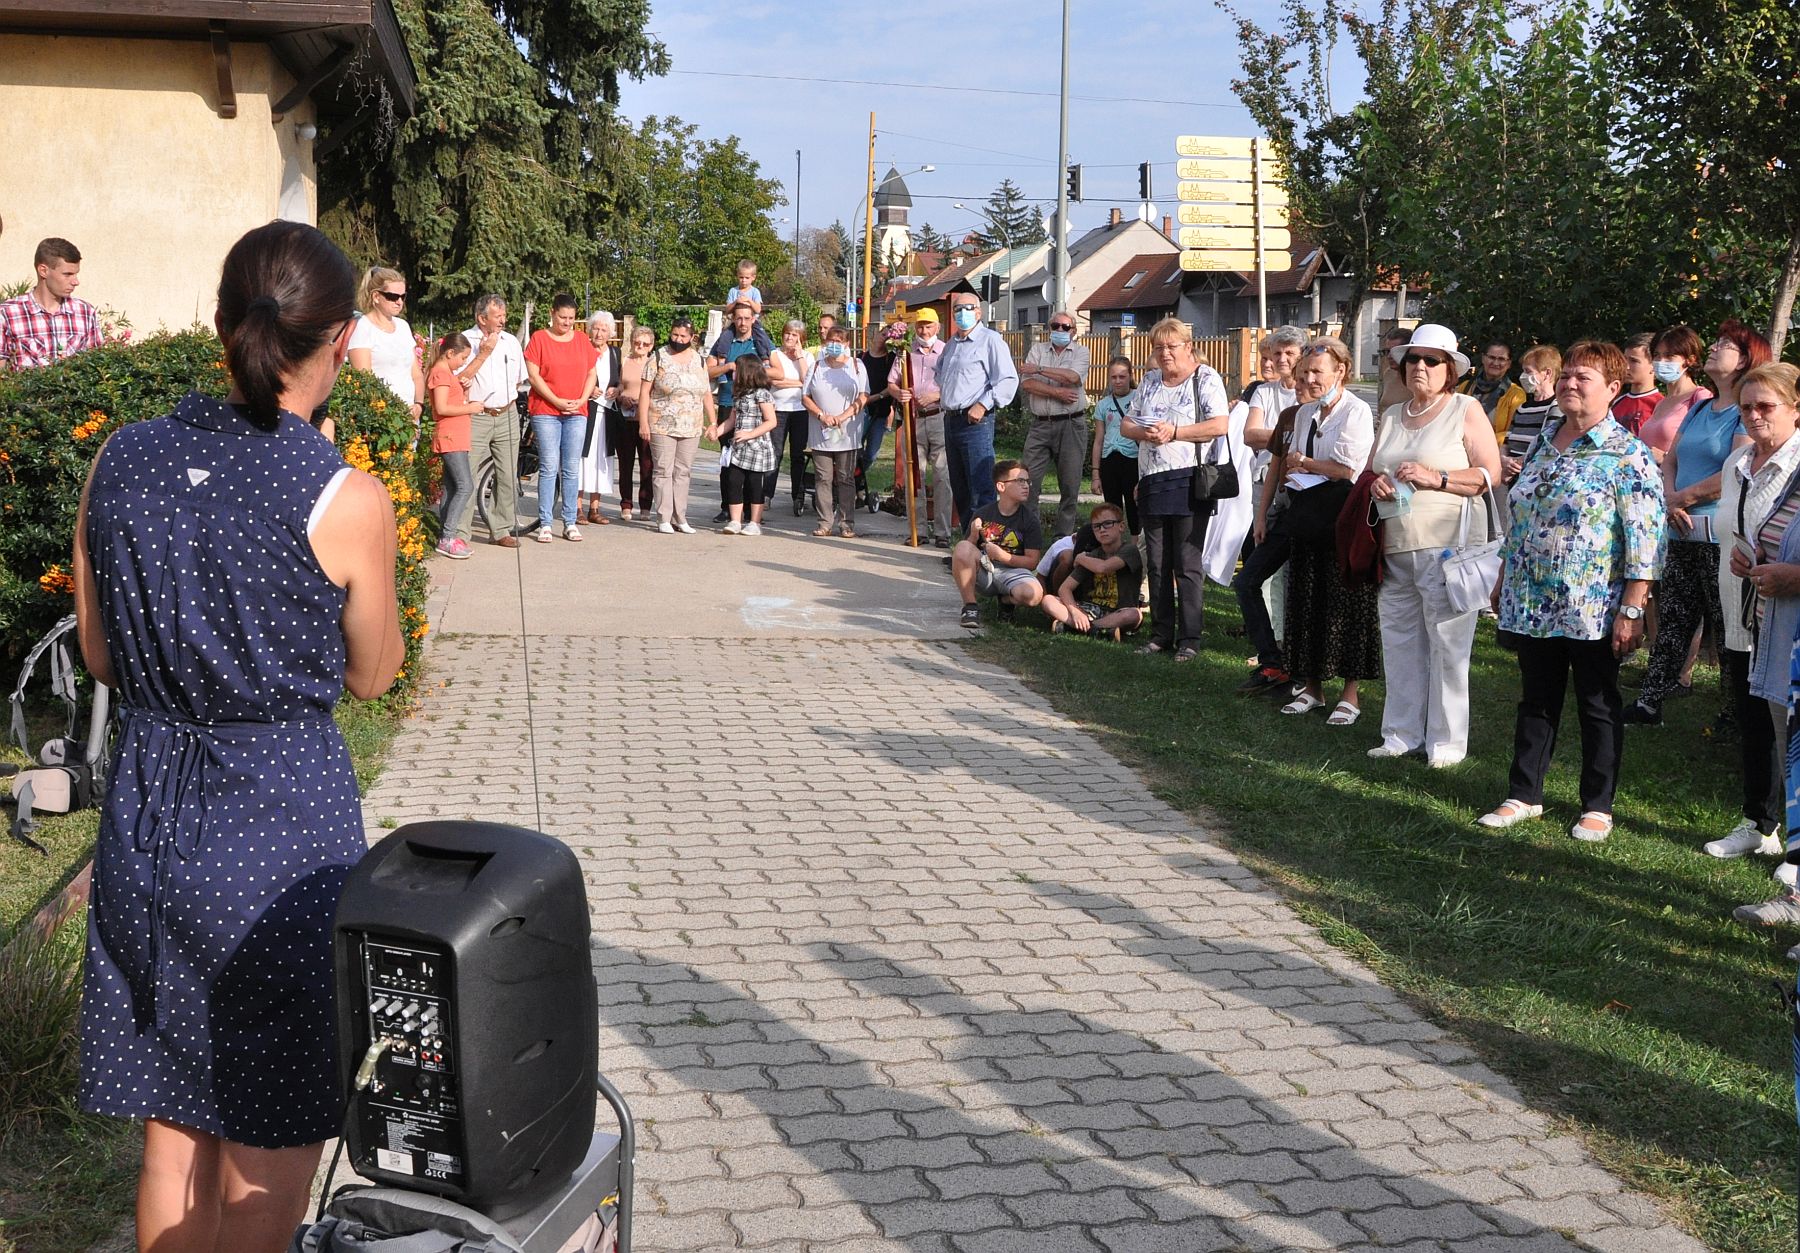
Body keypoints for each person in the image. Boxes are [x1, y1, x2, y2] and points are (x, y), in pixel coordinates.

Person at [70, 220, 404, 1253]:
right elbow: (373, 671)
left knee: (171, 1137)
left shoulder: (120, 457)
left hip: (149, 819)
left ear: (221, 323)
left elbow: (98, 654)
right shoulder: (343, 496)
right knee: (264, 1157)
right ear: (340, 341)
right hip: (276, 831)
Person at [1479, 341, 1664, 841]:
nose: (1570, 384)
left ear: (1613, 389)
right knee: (1535, 698)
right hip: (1532, 599)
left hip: (1593, 605)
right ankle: (1524, 794)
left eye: (1584, 377)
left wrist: (1632, 606)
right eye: (1566, 376)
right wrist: (1502, 577)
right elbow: (1522, 516)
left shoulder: (1627, 453)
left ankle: (1597, 805)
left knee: (1597, 703)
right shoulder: (1543, 440)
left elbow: (1645, 538)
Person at [1367, 324, 1503, 767]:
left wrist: (1437, 478)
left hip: (1448, 546)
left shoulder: (1465, 408)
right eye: (1413, 360)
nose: (1420, 367)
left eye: (1431, 360)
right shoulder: (1391, 414)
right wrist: (1377, 488)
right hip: (1395, 543)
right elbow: (1374, 473)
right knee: (1400, 640)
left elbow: (1490, 474)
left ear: (1450, 370)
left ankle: (1445, 743)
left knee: (1448, 643)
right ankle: (1400, 734)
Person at [1625, 319, 1767, 723]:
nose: (1715, 347)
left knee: (1726, 627)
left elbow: (1734, 469)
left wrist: (1682, 497)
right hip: (1680, 529)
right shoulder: (1703, 406)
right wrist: (1671, 499)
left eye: (1726, 345)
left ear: (1745, 360)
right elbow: (1671, 457)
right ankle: (1651, 701)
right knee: (1672, 617)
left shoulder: (1745, 413)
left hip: (1717, 534)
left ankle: (1732, 711)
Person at [1710, 362, 1800, 861]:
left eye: (1766, 406)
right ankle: (1759, 823)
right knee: (1754, 720)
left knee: (1792, 730)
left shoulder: (1797, 464)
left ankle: (1795, 846)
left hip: (1790, 619)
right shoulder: (1737, 463)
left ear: (1795, 408)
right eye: (1746, 407)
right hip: (1744, 612)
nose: (1754, 416)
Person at [1271, 339, 1379, 724]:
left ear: (1341, 371)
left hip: (1342, 516)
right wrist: (1304, 465)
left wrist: (1306, 463)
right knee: (1305, 597)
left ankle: (1350, 693)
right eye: (1307, 373)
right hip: (1307, 513)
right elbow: (1294, 463)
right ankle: (1312, 686)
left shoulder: (1357, 411)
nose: (1311, 379)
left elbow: (1347, 468)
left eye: (1318, 372)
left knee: (1344, 602)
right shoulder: (1304, 413)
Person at [1120, 316, 1230, 662]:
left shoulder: (1206, 378)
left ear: (1188, 347)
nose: (1165, 353)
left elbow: (1220, 424)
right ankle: (1160, 634)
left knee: (1186, 562)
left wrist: (1175, 432)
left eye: (1171, 346)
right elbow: (1126, 424)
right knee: (1156, 561)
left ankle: (1190, 638)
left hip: (1189, 480)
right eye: (1158, 347)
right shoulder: (1151, 381)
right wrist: (1146, 433)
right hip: (1153, 479)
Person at [1234, 376, 1319, 697]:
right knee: (1247, 581)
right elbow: (1275, 466)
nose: (1300, 384)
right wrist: (1261, 514)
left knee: (1302, 590)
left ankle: (1304, 675)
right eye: (1298, 380)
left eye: (1309, 377)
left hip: (1317, 514)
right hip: (1282, 512)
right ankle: (1273, 664)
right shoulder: (1287, 417)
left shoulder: (1336, 415)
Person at [937, 291, 1020, 526]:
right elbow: (941, 375)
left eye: (968, 308)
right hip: (951, 420)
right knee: (961, 488)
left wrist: (983, 403)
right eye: (957, 309)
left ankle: (985, 547)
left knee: (979, 487)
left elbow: (1007, 379)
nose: (962, 313)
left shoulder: (990, 340)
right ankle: (967, 545)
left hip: (975, 422)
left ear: (979, 312)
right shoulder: (952, 344)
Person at [523, 293, 599, 542]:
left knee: (571, 466)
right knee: (548, 465)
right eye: (562, 317)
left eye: (571, 318)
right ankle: (545, 522)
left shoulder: (581, 340)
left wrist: (582, 398)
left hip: (577, 411)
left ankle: (569, 520)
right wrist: (555, 400)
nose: (567, 322)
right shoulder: (540, 338)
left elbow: (591, 373)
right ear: (552, 313)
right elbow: (534, 376)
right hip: (547, 410)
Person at [456, 294, 528, 547]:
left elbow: (519, 380)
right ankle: (460, 533)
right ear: (481, 318)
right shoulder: (465, 340)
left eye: (504, 315)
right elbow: (458, 380)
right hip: (477, 415)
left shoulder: (510, 342)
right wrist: (483, 354)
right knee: (468, 475)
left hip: (507, 413)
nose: (503, 321)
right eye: (498, 316)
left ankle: (501, 529)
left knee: (507, 474)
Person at [638, 315, 715, 535]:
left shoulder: (699, 360)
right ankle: (663, 516)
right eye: (675, 334)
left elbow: (707, 393)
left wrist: (712, 421)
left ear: (691, 337)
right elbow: (645, 391)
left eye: (683, 335)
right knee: (663, 469)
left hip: (691, 425)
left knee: (683, 471)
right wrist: (643, 422)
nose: (678, 338)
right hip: (662, 423)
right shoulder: (658, 357)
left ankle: (680, 516)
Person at [1019, 311, 1092, 537]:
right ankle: (1030, 535)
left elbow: (1072, 377)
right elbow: (1027, 383)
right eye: (1055, 326)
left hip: (1071, 424)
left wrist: (1039, 370)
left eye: (1065, 327)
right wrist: (1056, 392)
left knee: (1070, 486)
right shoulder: (1038, 349)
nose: (1059, 330)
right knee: (1028, 481)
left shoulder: (1082, 351)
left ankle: (1063, 539)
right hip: (1040, 424)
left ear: (1073, 331)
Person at [952, 459, 1045, 629]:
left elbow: (1032, 562)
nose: (1026, 486)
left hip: (1014, 572)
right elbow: (965, 554)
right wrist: (973, 534)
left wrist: (1004, 556)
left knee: (1034, 595)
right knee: (962, 547)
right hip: (986, 570)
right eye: (1020, 481)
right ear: (1001, 487)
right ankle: (970, 607)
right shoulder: (984, 513)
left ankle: (1005, 600)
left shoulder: (1030, 520)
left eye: (1027, 481)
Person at [707, 301, 775, 522]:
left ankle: (752, 512)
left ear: (754, 319)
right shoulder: (725, 341)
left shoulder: (761, 342)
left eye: (747, 318)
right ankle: (728, 507)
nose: (743, 322)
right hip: (730, 403)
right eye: (739, 318)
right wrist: (728, 367)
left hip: (755, 407)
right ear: (733, 319)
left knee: (753, 466)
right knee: (729, 460)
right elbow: (707, 371)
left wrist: (753, 373)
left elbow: (779, 373)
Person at [1041, 503, 1144, 639]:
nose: (1102, 529)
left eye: (1108, 523)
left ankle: (1074, 627)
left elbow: (1103, 568)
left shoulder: (1129, 551)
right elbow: (1064, 589)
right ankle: (1100, 630)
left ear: (1121, 526)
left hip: (1117, 611)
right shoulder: (1091, 555)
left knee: (1134, 615)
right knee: (1048, 600)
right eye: (1096, 526)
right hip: (1088, 608)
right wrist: (1075, 611)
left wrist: (1079, 557)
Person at [803, 325, 868, 538]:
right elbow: (805, 397)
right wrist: (822, 415)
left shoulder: (857, 366)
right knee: (823, 477)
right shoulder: (815, 367)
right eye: (831, 340)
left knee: (845, 478)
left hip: (847, 432)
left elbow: (863, 396)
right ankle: (825, 522)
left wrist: (844, 416)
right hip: (820, 430)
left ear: (847, 344)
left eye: (839, 341)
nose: (835, 344)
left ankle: (847, 522)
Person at [1, 236, 103, 371]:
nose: (75, 282)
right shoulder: (8, 314)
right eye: (67, 274)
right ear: (43, 271)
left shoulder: (85, 313)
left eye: (76, 274)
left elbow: (97, 368)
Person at [894, 307, 952, 546]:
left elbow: (957, 381)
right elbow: (892, 383)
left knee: (942, 475)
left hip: (939, 416)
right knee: (914, 475)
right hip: (913, 418)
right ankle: (917, 531)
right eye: (920, 326)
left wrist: (937, 395)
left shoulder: (948, 351)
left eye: (928, 326)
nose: (924, 330)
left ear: (937, 327)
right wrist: (899, 394)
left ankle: (942, 533)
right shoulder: (905, 353)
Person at [426, 332, 483, 560]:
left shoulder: (447, 373)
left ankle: (446, 534)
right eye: (462, 358)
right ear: (450, 353)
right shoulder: (440, 373)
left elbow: (452, 401)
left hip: (457, 436)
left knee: (451, 487)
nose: (463, 363)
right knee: (465, 485)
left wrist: (465, 392)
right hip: (451, 437)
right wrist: (471, 408)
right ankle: (448, 537)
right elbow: (441, 408)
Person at [347, 266, 424, 433]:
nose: (399, 302)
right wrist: (388, 415)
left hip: (410, 417)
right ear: (376, 296)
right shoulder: (363, 327)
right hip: (381, 419)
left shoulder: (403, 327)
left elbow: (416, 374)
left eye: (403, 297)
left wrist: (418, 404)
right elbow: (365, 381)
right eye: (392, 296)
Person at [713, 356, 777, 535]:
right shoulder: (738, 394)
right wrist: (716, 432)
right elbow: (732, 420)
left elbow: (771, 421)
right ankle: (735, 520)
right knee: (733, 481)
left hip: (757, 447)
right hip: (739, 448)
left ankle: (754, 522)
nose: (734, 374)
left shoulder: (762, 394)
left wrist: (750, 434)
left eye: (736, 370)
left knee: (755, 484)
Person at [1638, 325, 1713, 465]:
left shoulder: (1700, 398)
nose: (1661, 361)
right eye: (1657, 355)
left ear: (1690, 360)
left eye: (1669, 356)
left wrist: (1665, 457)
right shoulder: (1661, 403)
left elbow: (1707, 451)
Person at [765, 319, 815, 515]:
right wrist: (798, 383)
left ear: (801, 339)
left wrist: (800, 357)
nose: (789, 337)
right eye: (787, 333)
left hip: (801, 411)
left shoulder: (808, 357)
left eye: (794, 335)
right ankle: (767, 494)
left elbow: (807, 381)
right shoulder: (774, 355)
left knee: (797, 455)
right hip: (778, 409)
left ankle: (798, 495)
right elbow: (774, 382)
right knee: (775, 452)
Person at [1090, 356, 1141, 539]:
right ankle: (1114, 547)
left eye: (1122, 376)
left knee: (1134, 505)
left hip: (1133, 458)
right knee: (1111, 508)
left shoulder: (1139, 397)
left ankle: (1136, 549)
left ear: (1130, 376)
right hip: (1109, 459)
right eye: (1114, 377)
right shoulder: (1103, 404)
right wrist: (1096, 474)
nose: (1118, 381)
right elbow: (1098, 439)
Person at [579, 311, 621, 525]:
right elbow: (574, 376)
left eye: (604, 329)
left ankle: (594, 508)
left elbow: (621, 379)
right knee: (581, 458)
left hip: (607, 415)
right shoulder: (582, 350)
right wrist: (588, 389)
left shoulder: (615, 353)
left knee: (602, 459)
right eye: (596, 328)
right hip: (586, 412)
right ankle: (576, 507)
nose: (599, 333)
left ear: (610, 333)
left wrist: (618, 389)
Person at [855, 319, 902, 509]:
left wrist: (877, 396)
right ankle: (853, 485)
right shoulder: (862, 357)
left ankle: (855, 478)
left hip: (879, 410)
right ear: (875, 335)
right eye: (883, 334)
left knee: (871, 453)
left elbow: (892, 384)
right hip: (861, 410)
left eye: (889, 337)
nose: (885, 339)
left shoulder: (891, 359)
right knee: (855, 450)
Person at [1501, 345, 1562, 483]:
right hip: (1512, 479)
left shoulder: (1556, 407)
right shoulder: (1522, 408)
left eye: (1528, 371)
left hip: (1534, 480)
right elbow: (1506, 442)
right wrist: (1504, 460)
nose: (1523, 376)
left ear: (1547, 373)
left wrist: (1515, 464)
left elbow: (1546, 445)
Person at [614, 326, 656, 522]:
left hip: (647, 420)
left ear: (651, 345)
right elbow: (620, 385)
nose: (640, 346)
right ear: (631, 343)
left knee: (647, 464)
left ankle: (646, 505)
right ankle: (626, 504)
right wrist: (622, 397)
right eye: (637, 342)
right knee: (625, 464)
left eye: (645, 344)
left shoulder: (654, 363)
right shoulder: (625, 361)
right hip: (626, 418)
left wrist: (644, 403)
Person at [1458, 340, 1526, 436]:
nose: (1495, 362)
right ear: (1483, 358)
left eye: (1501, 359)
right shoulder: (1465, 387)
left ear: (1509, 364)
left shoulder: (1515, 394)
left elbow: (1514, 431)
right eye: (1491, 357)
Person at [1611, 332, 1662, 436]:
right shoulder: (1615, 402)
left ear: (1654, 365)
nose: (1626, 367)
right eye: (1625, 360)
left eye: (1634, 361)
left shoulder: (1661, 405)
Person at [1375, 326, 1411, 416]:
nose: (1390, 356)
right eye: (1387, 351)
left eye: (1395, 351)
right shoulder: (1388, 374)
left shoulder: (1416, 378)